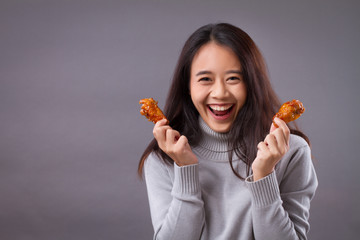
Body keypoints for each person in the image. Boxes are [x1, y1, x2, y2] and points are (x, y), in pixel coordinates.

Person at [138, 23, 318, 240]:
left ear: (251, 83)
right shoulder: (163, 157)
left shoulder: (291, 151)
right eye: (205, 79)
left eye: (233, 78)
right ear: (187, 85)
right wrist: (184, 168)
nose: (220, 93)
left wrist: (264, 175)